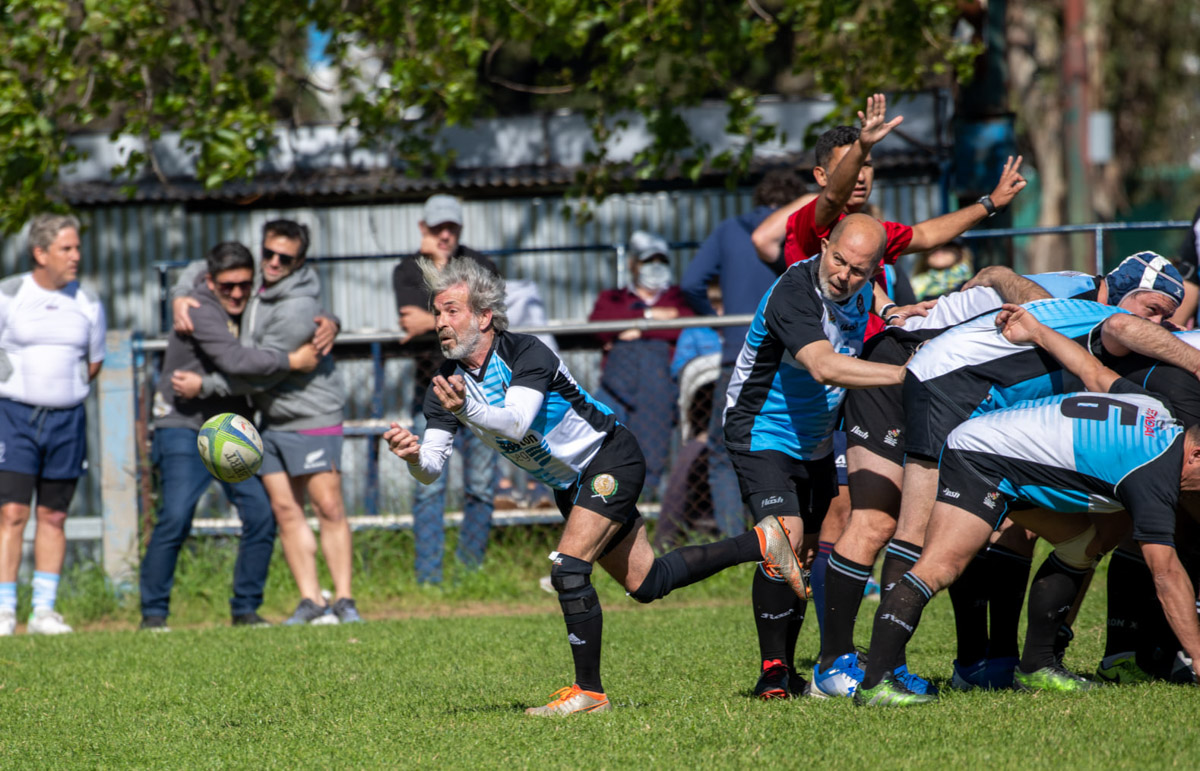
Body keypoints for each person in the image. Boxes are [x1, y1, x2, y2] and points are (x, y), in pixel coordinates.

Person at [384, 257, 805, 716]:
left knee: (567, 568)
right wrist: (412, 457)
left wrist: (469, 411)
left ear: (484, 317)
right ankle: (765, 540)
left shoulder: (526, 352)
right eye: (437, 312)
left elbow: (516, 420)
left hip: (610, 458)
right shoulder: (447, 386)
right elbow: (431, 468)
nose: (440, 322)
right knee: (648, 582)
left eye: (451, 310)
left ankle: (590, 693)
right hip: (571, 484)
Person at [815, 251, 1194, 697]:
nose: (1160, 327)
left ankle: (1006, 662)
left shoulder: (1075, 298)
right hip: (945, 381)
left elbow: (1023, 295)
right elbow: (1119, 327)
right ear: (1122, 291)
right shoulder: (1106, 315)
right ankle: (872, 672)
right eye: (1153, 312)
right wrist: (1194, 360)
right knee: (911, 533)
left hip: (953, 384)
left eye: (1168, 320)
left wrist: (996, 274)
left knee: (1069, 538)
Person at [722, 213, 910, 699]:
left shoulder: (861, 287)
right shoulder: (794, 292)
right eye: (839, 260)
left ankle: (799, 668)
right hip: (760, 430)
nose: (844, 275)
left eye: (859, 271)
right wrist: (907, 377)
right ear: (824, 244)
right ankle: (773, 672)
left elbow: (874, 301)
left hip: (816, 440)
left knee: (803, 553)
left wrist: (892, 314)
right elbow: (825, 367)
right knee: (782, 540)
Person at [181, 220, 357, 625]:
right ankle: (312, 601)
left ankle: (345, 600)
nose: (274, 262)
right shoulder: (255, 278)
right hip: (270, 419)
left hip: (312, 414)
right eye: (269, 253)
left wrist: (204, 385)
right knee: (285, 509)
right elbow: (197, 269)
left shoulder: (298, 307)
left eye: (285, 258)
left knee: (328, 506)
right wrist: (178, 297)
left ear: (300, 262)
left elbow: (263, 370)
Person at [140, 242, 320, 630]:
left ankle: (246, 610)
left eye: (243, 284)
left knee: (260, 515)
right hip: (184, 428)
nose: (237, 293)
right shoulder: (199, 309)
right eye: (227, 286)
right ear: (210, 282)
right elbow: (237, 362)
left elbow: (307, 305)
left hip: (234, 431)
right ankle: (153, 617)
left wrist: (331, 321)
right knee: (175, 516)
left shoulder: (256, 302)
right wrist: (293, 361)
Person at [681, 168, 812, 537]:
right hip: (795, 355)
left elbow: (692, 283)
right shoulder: (799, 232)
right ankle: (791, 535)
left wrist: (719, 321)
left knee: (726, 453)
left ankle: (737, 540)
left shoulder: (729, 229)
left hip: (737, 353)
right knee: (795, 445)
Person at [0, 213, 105, 636]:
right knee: (11, 512)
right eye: (67, 248)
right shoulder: (9, 294)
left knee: (54, 515)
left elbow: (94, 360)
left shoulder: (88, 300)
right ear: (40, 253)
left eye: (77, 247)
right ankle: (5, 610)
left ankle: (44, 611)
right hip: (14, 417)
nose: (76, 256)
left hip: (68, 421)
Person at [393, 195, 500, 583]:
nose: (444, 234)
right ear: (424, 228)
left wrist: (433, 319)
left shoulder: (482, 266)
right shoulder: (407, 269)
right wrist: (440, 277)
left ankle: (469, 576)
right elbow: (412, 320)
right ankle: (429, 581)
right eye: (437, 227)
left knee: (481, 488)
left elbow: (491, 321)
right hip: (432, 392)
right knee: (427, 489)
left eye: (451, 227)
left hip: (482, 391)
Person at [588, 231, 694, 496]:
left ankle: (646, 511)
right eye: (648, 260)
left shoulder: (680, 298)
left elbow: (687, 326)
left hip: (658, 388)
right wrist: (651, 317)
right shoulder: (613, 298)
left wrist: (635, 328)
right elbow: (598, 326)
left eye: (662, 260)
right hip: (615, 388)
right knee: (602, 449)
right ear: (633, 264)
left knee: (650, 456)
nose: (656, 266)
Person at [910, 239, 974, 301]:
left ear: (960, 251)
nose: (938, 250)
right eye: (932, 246)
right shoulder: (912, 286)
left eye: (946, 245)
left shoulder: (974, 283)